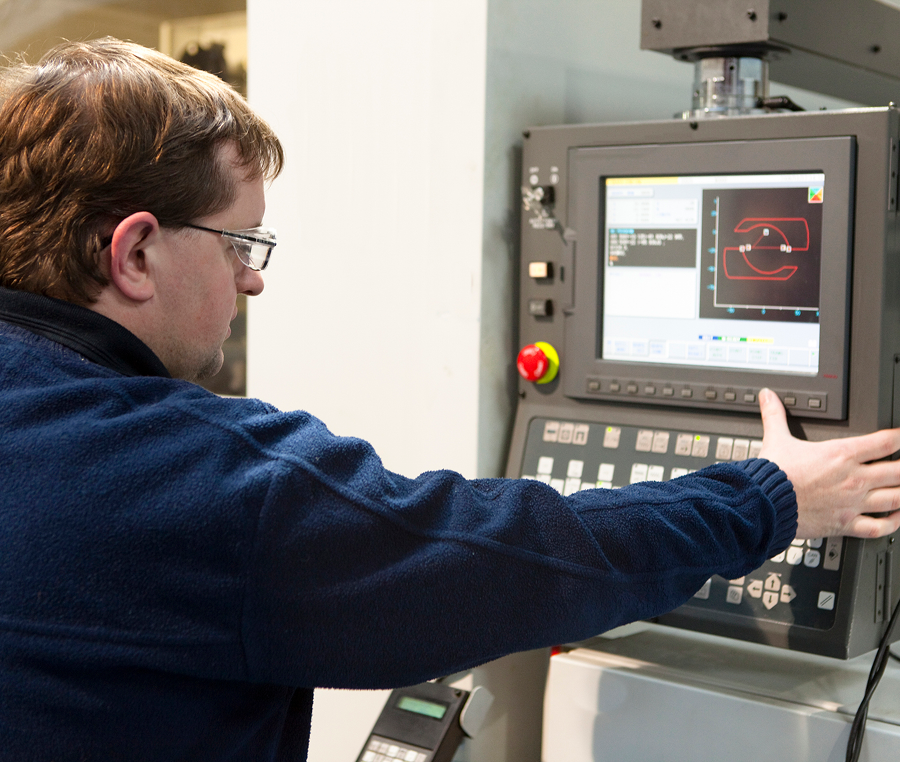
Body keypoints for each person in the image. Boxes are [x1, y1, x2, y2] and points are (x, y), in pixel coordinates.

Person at [0, 37, 898, 762]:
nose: (251, 280)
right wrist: (774, 495)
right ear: (134, 253)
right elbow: (509, 559)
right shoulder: (195, 480)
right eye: (241, 242)